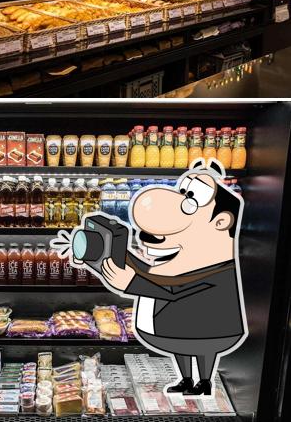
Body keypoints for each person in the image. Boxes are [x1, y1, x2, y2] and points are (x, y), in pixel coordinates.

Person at [74, 159, 247, 397]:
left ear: (221, 222)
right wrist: (117, 253)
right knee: (183, 349)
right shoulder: (177, 264)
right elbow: (152, 273)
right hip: (178, 331)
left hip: (210, 330)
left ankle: (204, 382)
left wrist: (131, 284)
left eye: (191, 203)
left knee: (202, 348)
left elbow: (175, 292)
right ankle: (186, 380)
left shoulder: (216, 269)